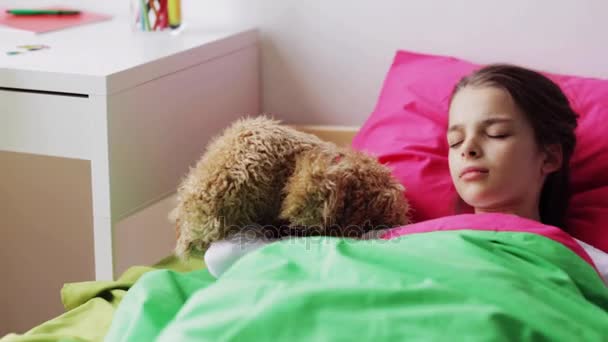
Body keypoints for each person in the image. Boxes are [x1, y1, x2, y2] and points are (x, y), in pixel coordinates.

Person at [447, 64, 578, 231]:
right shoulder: (418, 243)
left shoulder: (578, 256)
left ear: (549, 157)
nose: (467, 148)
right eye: (455, 141)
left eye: (497, 133)